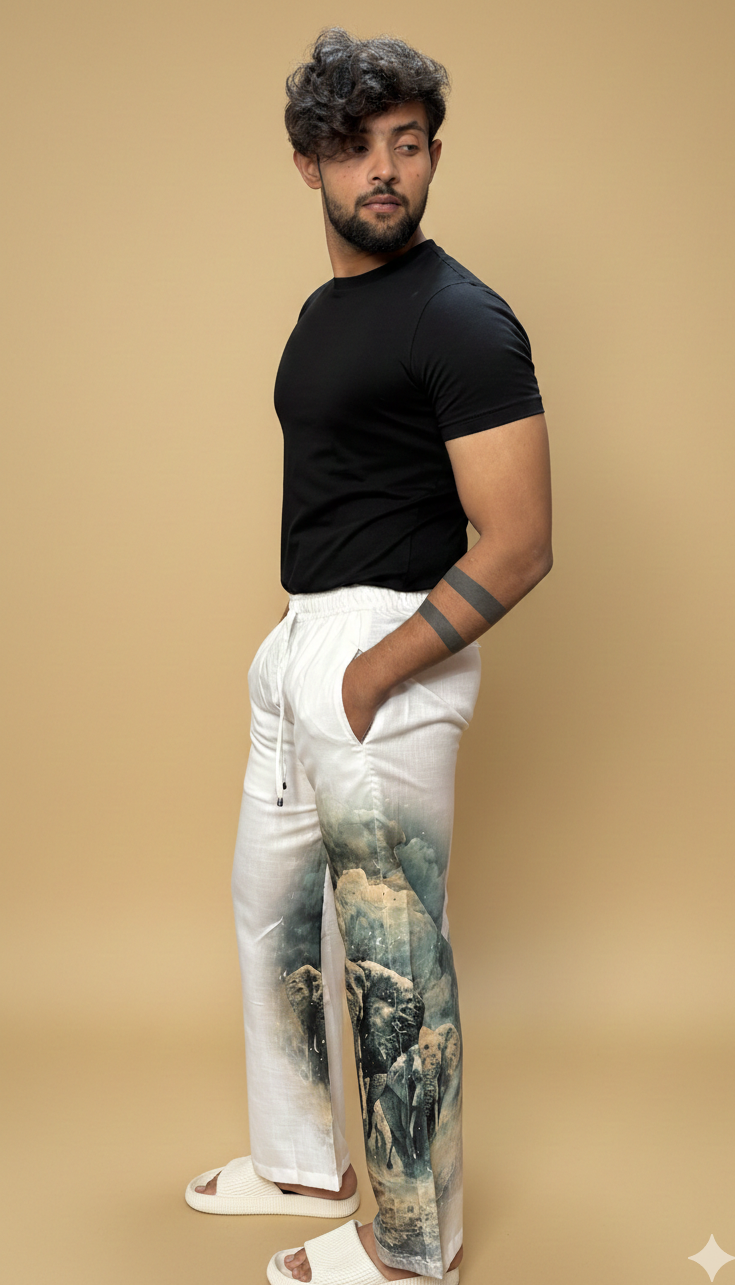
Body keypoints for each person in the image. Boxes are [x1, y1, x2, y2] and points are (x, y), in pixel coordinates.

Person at [185, 27, 552, 1285]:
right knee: (271, 913)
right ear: (311, 166)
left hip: (387, 649)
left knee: (394, 967)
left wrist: (377, 669)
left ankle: (412, 1247)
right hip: (304, 641)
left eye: (406, 145)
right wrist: (302, 656)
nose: (382, 171)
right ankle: (300, 1162)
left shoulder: (462, 318)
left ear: (434, 155)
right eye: (354, 149)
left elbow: (520, 543)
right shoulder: (327, 312)